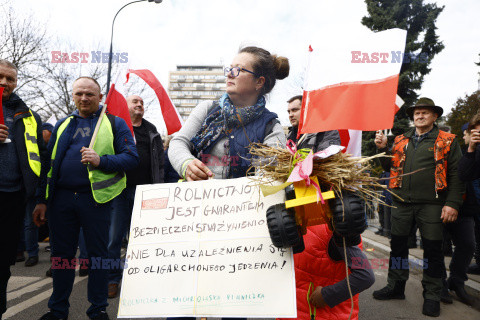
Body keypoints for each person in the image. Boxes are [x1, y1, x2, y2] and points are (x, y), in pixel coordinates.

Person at [168, 46, 288, 319]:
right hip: (193, 219)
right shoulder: (207, 109)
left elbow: (274, 172)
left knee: (233, 302)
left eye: (239, 69)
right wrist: (186, 164)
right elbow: (178, 143)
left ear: (259, 82)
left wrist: (260, 176)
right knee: (183, 299)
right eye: (229, 68)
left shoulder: (272, 127)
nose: (230, 74)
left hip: (239, 230)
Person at [32, 77, 139, 320]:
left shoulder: (115, 122)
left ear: (100, 97)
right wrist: (42, 200)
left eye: (90, 94)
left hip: (97, 200)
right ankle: (57, 310)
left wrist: (101, 160)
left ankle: (98, 309)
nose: (84, 98)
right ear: (73, 95)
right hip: (62, 200)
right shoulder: (62, 124)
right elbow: (48, 165)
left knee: (98, 257)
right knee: (62, 258)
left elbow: (132, 158)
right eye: (79, 93)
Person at [279, 95, 374, 320]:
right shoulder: (289, 220)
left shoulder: (335, 226)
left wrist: (328, 295)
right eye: (288, 110)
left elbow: (365, 276)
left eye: (296, 110)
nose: (291, 114)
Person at [372, 97, 464, 317]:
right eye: (416, 113)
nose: (420, 116)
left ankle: (432, 294)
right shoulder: (402, 140)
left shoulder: (448, 140)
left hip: (432, 205)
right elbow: (391, 167)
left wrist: (452, 204)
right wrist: (384, 149)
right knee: (398, 248)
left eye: (425, 113)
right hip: (402, 203)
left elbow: (457, 175)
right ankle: (396, 286)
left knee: (433, 250)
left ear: (434, 116)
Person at [0, 59, 48, 318]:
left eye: (11, 79)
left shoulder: (29, 116)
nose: (4, 82)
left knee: (4, 265)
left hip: (13, 198)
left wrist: (40, 198)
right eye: (0, 77)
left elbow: (41, 158)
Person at [107, 94, 164, 298]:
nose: (139, 104)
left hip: (146, 192)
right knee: (114, 238)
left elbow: (159, 161)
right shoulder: (115, 127)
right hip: (119, 191)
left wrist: (160, 187)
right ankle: (112, 279)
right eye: (135, 101)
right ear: (126, 106)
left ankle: (138, 277)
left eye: (142, 102)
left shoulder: (151, 130)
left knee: (142, 239)